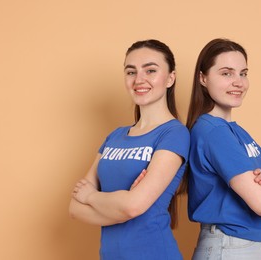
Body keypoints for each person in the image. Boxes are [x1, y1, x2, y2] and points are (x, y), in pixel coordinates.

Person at [69, 39, 190, 260]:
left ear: (170, 78)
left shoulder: (174, 134)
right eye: (130, 72)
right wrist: (121, 207)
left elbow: (133, 207)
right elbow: (75, 208)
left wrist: (92, 197)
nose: (139, 79)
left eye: (150, 70)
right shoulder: (115, 136)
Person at [186, 38, 261, 260]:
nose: (239, 82)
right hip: (229, 247)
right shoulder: (214, 132)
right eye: (227, 73)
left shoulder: (236, 133)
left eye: (243, 73)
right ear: (203, 78)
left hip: (240, 247)